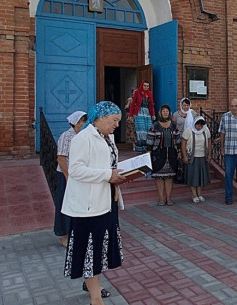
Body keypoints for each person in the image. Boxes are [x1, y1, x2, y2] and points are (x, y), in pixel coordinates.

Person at [61, 101, 126, 305]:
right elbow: (76, 170)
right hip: (87, 206)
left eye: (118, 121)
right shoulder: (84, 138)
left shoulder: (107, 138)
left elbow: (108, 164)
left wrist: (124, 173)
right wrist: (108, 175)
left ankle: (93, 285)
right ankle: (95, 298)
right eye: (114, 120)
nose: (117, 125)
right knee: (90, 251)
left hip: (106, 201)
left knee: (99, 250)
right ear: (100, 117)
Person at [54, 110, 87, 248]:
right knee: (65, 204)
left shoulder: (84, 136)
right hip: (66, 175)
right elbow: (61, 158)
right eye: (83, 122)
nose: (85, 124)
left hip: (79, 175)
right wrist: (68, 177)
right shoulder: (67, 136)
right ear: (76, 123)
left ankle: (76, 233)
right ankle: (64, 236)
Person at [147, 104, 181, 206]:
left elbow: (178, 139)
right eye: (163, 111)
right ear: (160, 113)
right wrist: (149, 152)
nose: (165, 113)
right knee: (159, 177)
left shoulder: (174, 126)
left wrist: (179, 151)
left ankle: (169, 198)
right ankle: (161, 198)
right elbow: (150, 139)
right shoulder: (155, 125)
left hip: (171, 154)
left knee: (169, 177)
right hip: (158, 153)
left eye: (167, 111)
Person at [181, 116, 212, 203]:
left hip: (202, 156)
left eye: (201, 125)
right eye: (198, 124)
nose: (199, 126)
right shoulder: (188, 130)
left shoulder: (205, 130)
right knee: (193, 176)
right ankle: (194, 194)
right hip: (192, 157)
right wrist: (184, 156)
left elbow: (209, 142)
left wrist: (209, 154)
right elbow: (183, 143)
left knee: (200, 176)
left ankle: (199, 194)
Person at [129, 80, 155, 152]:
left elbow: (151, 105)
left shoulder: (149, 93)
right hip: (139, 112)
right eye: (144, 86)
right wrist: (131, 115)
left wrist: (153, 114)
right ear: (142, 86)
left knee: (148, 129)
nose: (146, 87)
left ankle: (148, 147)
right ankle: (141, 148)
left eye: (147, 86)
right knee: (141, 130)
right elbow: (133, 104)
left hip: (147, 113)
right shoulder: (137, 92)